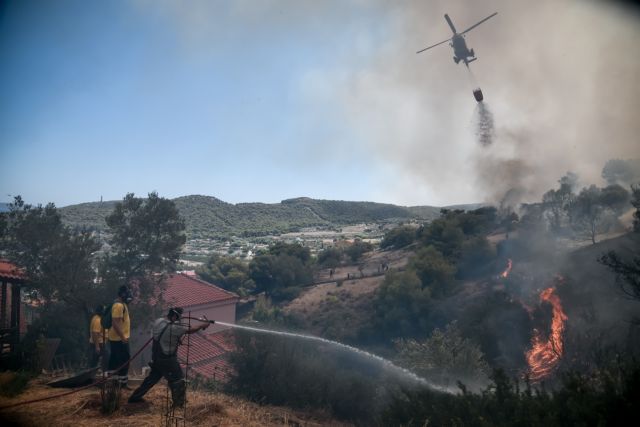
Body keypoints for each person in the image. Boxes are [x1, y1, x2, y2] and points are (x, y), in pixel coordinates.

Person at [128, 307, 210, 406]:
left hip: (156, 357)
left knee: (152, 379)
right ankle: (178, 404)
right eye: (178, 318)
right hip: (167, 359)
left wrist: (176, 338)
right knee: (178, 379)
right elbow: (191, 329)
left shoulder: (159, 321)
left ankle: (135, 397)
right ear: (174, 316)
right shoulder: (175, 328)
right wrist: (203, 324)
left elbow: (165, 333)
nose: (179, 320)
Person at [108, 285, 133, 388]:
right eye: (127, 293)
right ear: (122, 294)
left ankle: (113, 382)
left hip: (118, 338)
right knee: (124, 360)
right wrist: (123, 337)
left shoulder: (123, 304)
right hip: (119, 339)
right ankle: (122, 384)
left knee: (115, 360)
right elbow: (115, 323)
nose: (129, 295)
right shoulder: (118, 306)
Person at [88, 304, 107, 369]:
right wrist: (97, 346)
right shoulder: (98, 320)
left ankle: (93, 372)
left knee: (95, 360)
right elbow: (95, 333)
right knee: (104, 359)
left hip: (98, 342)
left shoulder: (95, 317)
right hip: (99, 343)